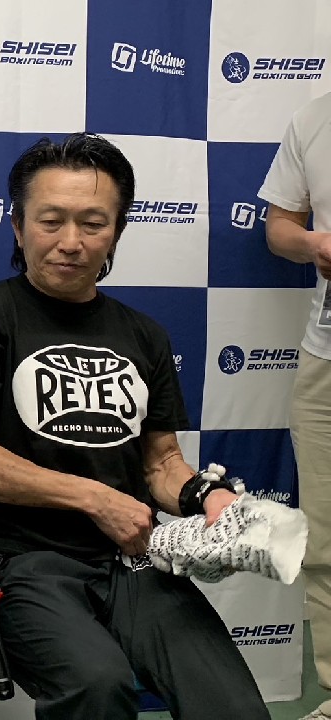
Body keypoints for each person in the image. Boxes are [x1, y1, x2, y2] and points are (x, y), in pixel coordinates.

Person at [0, 133, 269, 720]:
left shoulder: (144, 334)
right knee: (98, 685)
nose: (71, 242)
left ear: (117, 231)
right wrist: (95, 498)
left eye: (93, 223)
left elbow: (161, 464)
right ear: (18, 226)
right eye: (51, 221)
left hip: (134, 559)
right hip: (22, 563)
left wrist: (206, 497)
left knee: (230, 703)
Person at [259, 90, 331, 720]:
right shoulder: (314, 116)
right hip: (325, 357)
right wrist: (314, 246)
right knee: (326, 538)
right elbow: (279, 226)